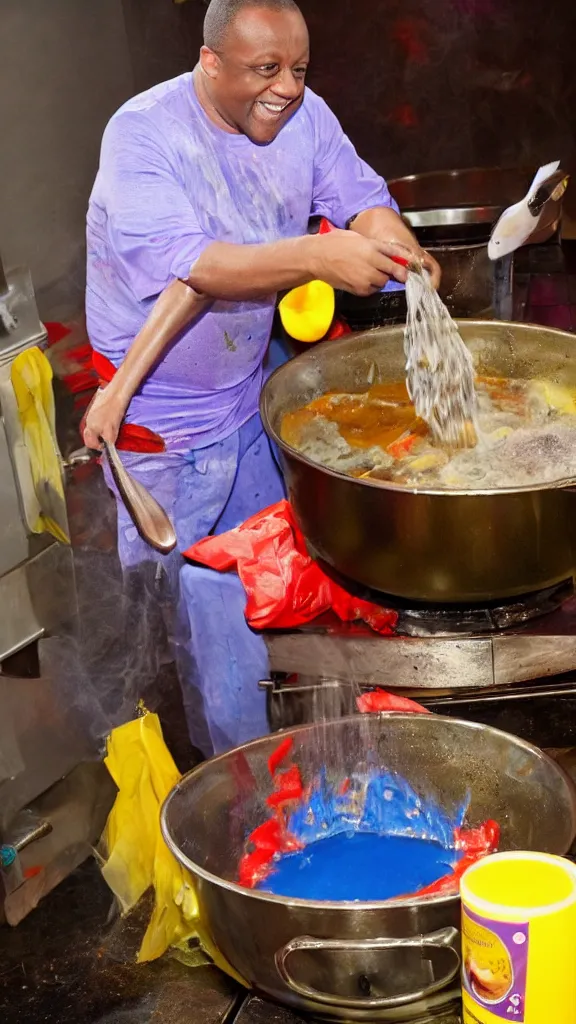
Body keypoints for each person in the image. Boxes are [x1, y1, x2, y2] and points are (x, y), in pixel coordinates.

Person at [83, 0, 440, 758]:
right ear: (210, 61)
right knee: (188, 650)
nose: (286, 88)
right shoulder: (144, 135)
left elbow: (361, 198)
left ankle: (311, 771)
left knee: (280, 611)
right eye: (265, 70)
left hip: (250, 404)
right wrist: (317, 257)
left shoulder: (304, 118)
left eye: (300, 69)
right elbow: (199, 266)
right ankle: (226, 807)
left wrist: (403, 252)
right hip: (161, 437)